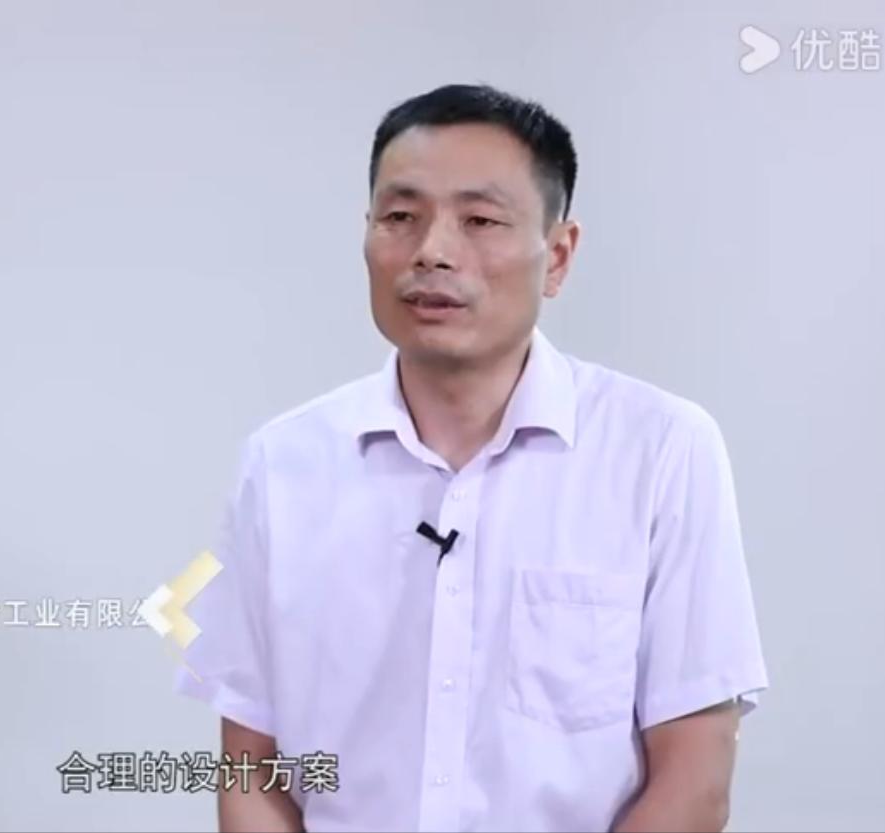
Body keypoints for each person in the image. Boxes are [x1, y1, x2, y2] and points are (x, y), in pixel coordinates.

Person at [174, 83, 769, 832]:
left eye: (480, 220)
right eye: (401, 217)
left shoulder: (661, 451)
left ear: (558, 255)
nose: (432, 251)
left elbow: (695, 781)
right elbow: (249, 771)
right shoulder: (282, 465)